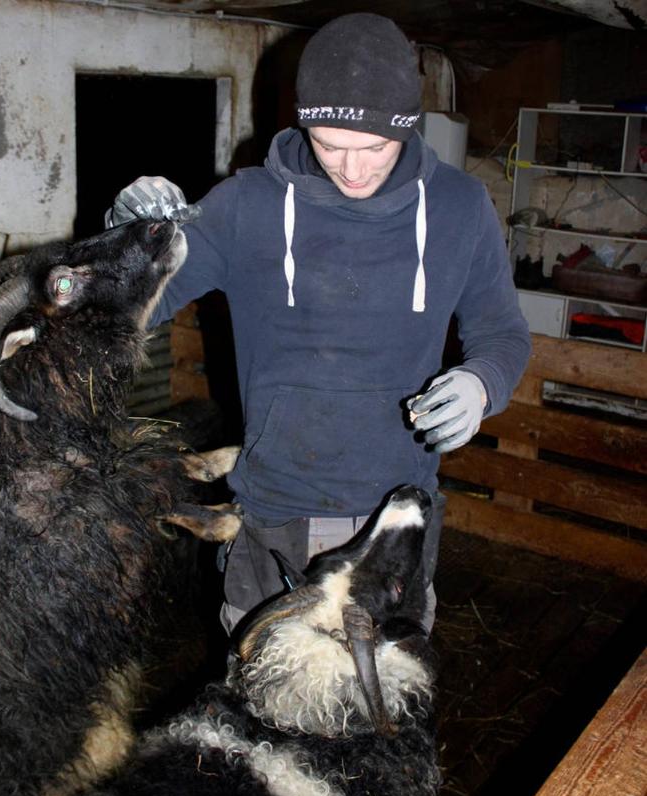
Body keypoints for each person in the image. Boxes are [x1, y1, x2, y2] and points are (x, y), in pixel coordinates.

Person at [105, 12, 531, 635]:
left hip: (396, 518)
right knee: (265, 712)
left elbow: (501, 333)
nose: (353, 170)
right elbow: (129, 305)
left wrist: (482, 383)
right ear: (303, 123)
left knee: (379, 709)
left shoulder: (459, 208)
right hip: (272, 513)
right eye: (331, 146)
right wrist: (125, 239)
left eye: (375, 149)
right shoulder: (244, 206)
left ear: (408, 130)